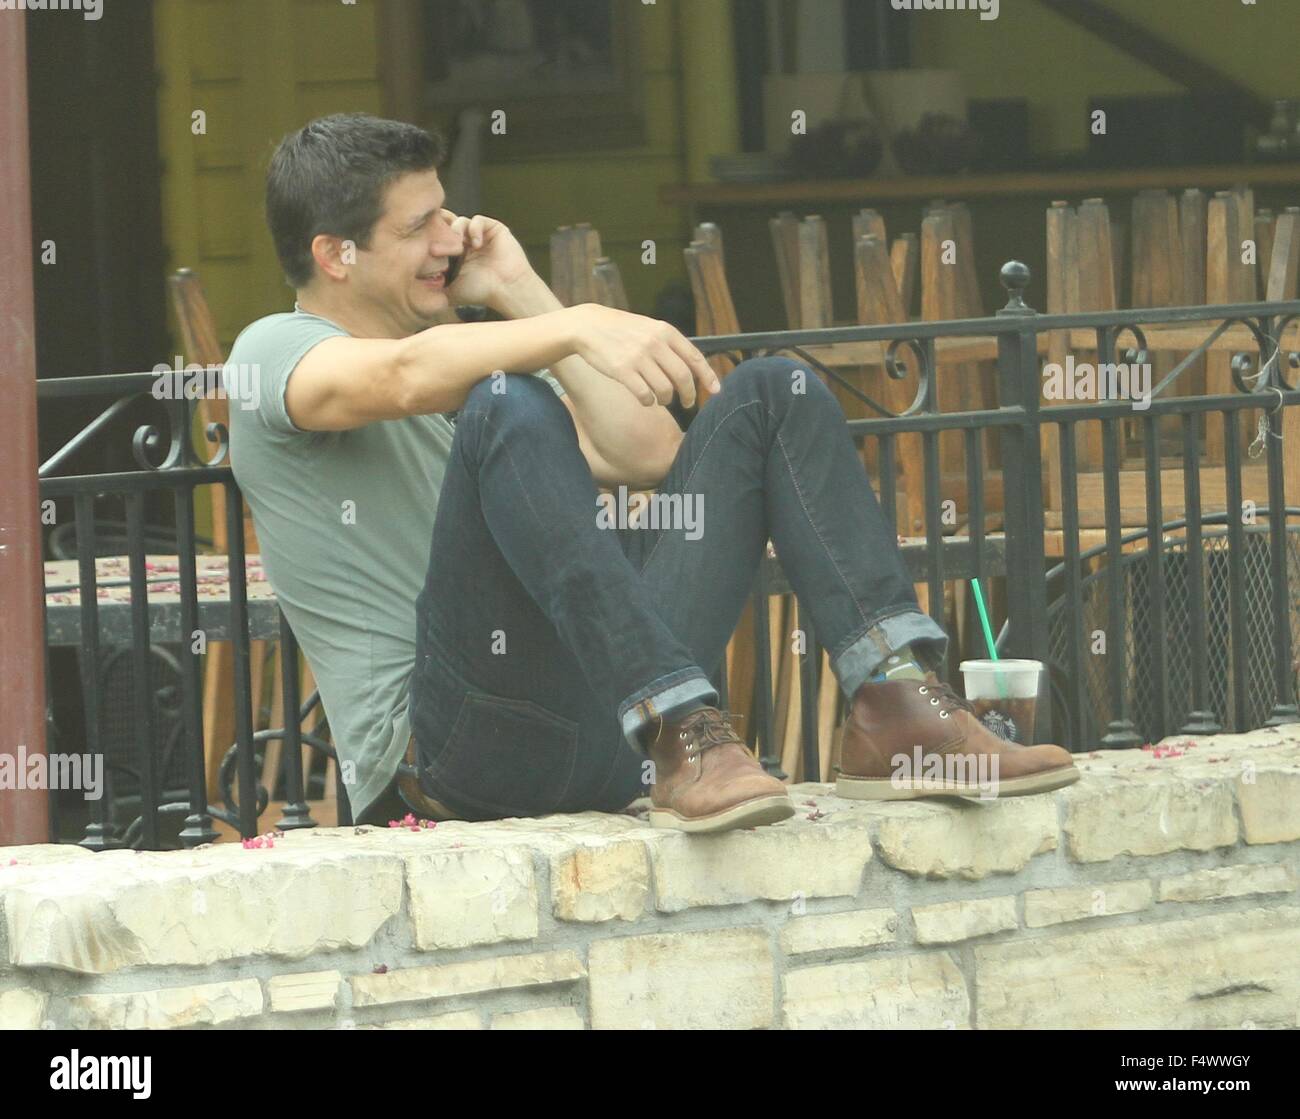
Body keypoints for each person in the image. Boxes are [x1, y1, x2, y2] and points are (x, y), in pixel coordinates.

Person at [225, 113, 1077, 834]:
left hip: (608, 731)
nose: (450, 238)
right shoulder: (272, 352)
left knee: (772, 390)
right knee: (507, 396)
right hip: (456, 754)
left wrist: (525, 291)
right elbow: (400, 376)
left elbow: (648, 454)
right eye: (419, 228)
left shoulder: (472, 369)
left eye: (448, 213)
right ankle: (678, 722)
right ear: (334, 255)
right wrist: (579, 328)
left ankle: (891, 703)